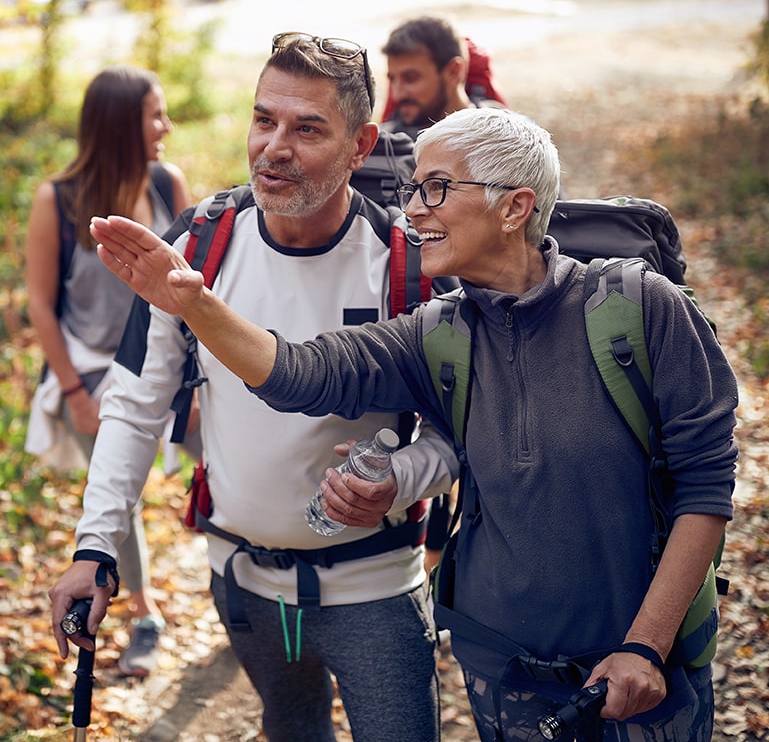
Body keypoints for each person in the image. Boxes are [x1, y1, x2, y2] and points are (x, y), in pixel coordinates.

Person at [84, 106, 738, 742]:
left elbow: (704, 488)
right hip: (499, 666)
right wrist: (194, 304)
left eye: (436, 188)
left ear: (512, 207)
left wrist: (644, 648)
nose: (414, 209)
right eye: (412, 189)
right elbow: (299, 374)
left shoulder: (638, 309)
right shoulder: (437, 333)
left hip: (639, 672)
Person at [49, 33, 458, 742]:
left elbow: (462, 429)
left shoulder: (405, 266)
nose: (274, 147)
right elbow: (135, 405)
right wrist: (95, 549)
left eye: (306, 129)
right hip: (241, 584)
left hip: (376, 589)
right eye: (264, 119)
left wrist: (403, 475)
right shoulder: (200, 244)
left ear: (360, 146)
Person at [26, 65, 192, 677]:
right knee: (112, 479)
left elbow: (193, 290)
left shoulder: (165, 184)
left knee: (230, 442)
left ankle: (255, 578)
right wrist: (72, 391)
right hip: (92, 370)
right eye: (155, 114)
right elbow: (40, 304)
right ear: (122, 123)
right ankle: (146, 613)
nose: (166, 126)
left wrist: (194, 388)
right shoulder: (58, 199)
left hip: (166, 362)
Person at [380, 15, 506, 140]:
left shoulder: (504, 138)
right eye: (392, 79)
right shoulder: (380, 145)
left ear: (454, 72)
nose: (397, 94)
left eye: (411, 78)